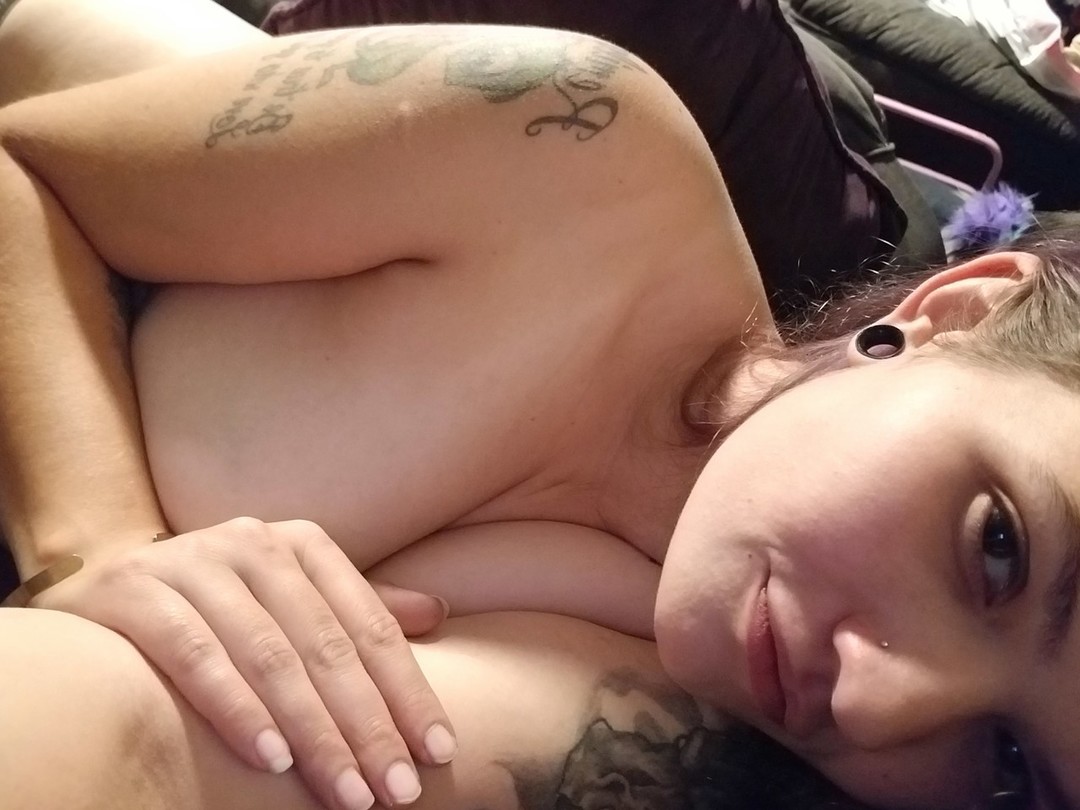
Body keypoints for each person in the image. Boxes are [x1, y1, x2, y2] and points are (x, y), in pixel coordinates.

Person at [0, 0, 1075, 808]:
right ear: (957, 310)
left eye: (1010, 766)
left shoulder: (656, 683)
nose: (878, 707)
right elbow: (22, 168)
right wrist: (98, 541)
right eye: (996, 550)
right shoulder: (575, 140)